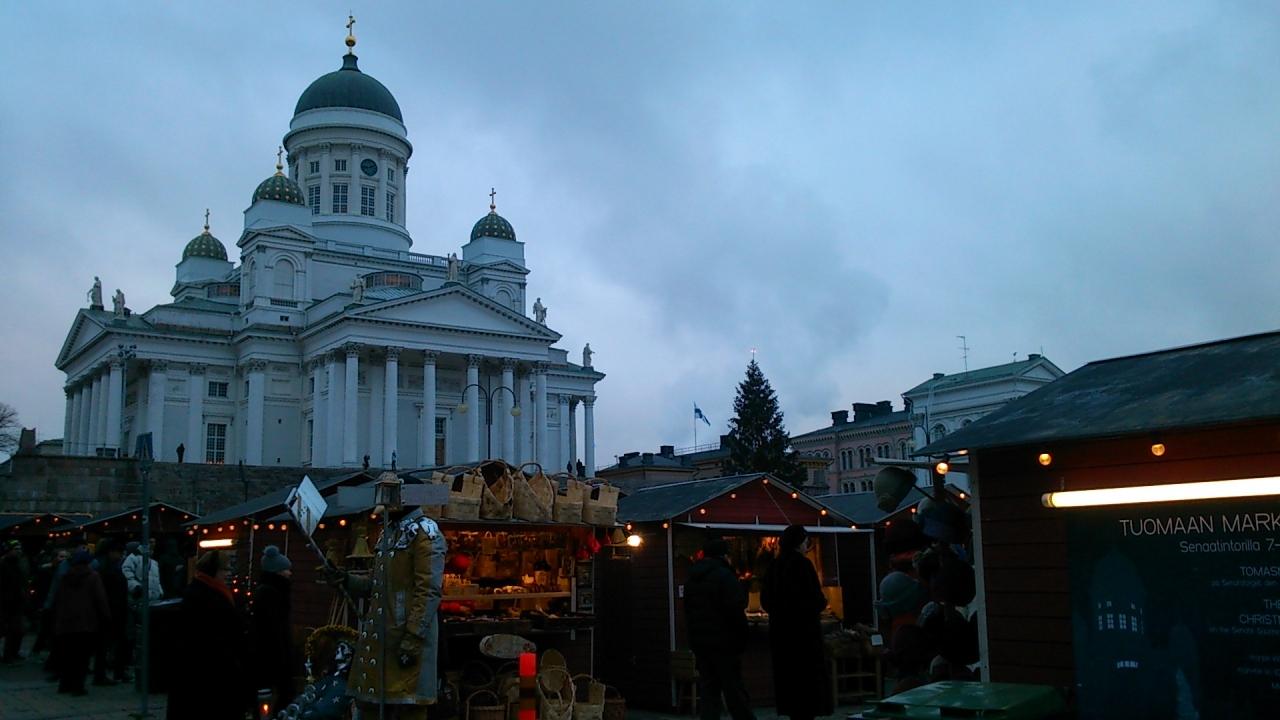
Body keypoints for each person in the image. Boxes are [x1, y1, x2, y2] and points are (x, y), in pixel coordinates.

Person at [329, 473, 447, 719]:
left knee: (409, 709)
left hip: (406, 635)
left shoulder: (425, 533)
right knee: (371, 706)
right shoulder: (388, 533)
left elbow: (428, 591)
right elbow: (377, 585)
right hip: (383, 635)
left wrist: (413, 636)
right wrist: (347, 580)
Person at [167, 550, 252, 720]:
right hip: (208, 674)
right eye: (225, 569)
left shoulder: (208, 591)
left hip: (208, 672)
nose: (228, 574)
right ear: (214, 570)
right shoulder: (207, 595)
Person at [761, 525, 832, 720]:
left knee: (788, 680)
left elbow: (766, 601)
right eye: (805, 542)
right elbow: (815, 599)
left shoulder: (774, 566)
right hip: (804, 634)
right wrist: (822, 603)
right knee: (806, 682)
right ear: (799, 542)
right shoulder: (803, 565)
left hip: (781, 634)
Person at [683, 537, 756, 720]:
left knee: (709, 693)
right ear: (724, 555)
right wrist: (741, 639)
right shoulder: (725, 576)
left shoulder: (692, 579)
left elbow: (689, 612)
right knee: (735, 693)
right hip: (725, 643)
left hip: (702, 644)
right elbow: (735, 610)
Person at [53, 549, 109, 696]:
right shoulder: (93, 576)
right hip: (86, 622)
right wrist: (106, 617)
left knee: (68, 655)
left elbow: (58, 598)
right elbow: (100, 599)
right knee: (82, 657)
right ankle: (78, 687)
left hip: (66, 622)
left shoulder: (66, 576)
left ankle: (65, 685)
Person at [251, 546, 295, 715]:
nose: (289, 573)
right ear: (277, 572)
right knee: (275, 695)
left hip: (272, 654)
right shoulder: (271, 594)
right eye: (286, 570)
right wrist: (283, 655)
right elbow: (273, 630)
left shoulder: (274, 592)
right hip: (271, 655)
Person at [92, 540, 130, 685]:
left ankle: (108, 673)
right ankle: (107, 674)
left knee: (107, 644)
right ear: (111, 552)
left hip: (112, 610)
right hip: (111, 611)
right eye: (119, 552)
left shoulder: (107, 566)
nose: (121, 556)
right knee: (108, 644)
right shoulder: (106, 568)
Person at [0, 540, 27, 663]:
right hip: (6, 602)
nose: (19, 551)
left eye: (20, 549)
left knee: (18, 630)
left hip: (17, 601)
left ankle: (13, 653)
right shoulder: (3, 564)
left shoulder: (19, 563)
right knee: (10, 630)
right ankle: (8, 655)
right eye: (16, 549)